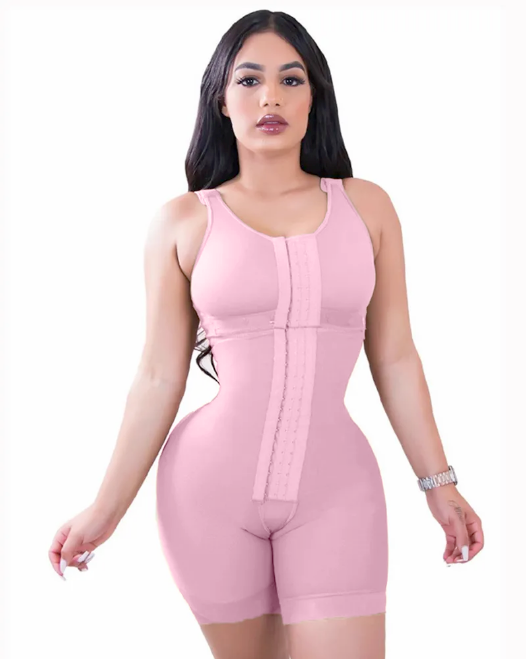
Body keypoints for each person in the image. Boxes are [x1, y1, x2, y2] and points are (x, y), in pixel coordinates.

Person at [48, 9, 485, 659]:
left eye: (291, 79)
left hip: (337, 490)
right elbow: (159, 375)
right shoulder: (181, 222)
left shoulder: (368, 208)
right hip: (207, 492)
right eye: (249, 80)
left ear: (315, 97)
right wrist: (105, 508)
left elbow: (395, 356)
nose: (270, 97)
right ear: (221, 101)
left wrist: (439, 483)